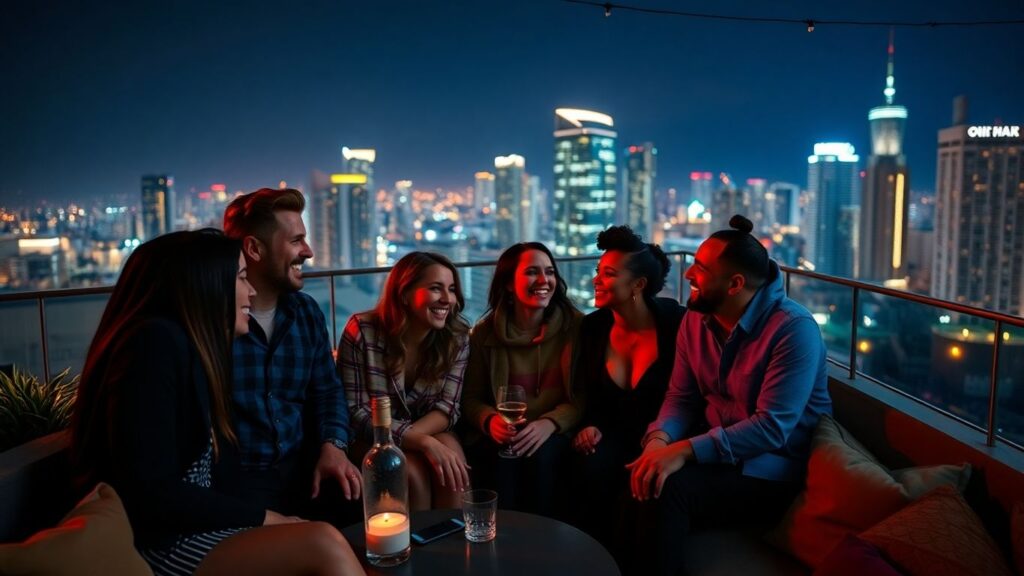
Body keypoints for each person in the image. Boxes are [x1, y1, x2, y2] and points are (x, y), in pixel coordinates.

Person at [71, 230, 363, 576]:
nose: (251, 291)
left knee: (339, 518)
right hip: (163, 541)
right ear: (205, 286)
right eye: (241, 278)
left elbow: (326, 392)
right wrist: (266, 518)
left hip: (200, 522)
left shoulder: (191, 350)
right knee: (322, 542)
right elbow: (151, 491)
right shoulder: (153, 346)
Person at [627, 215, 832, 576]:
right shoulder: (697, 317)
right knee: (638, 472)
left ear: (735, 283)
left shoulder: (793, 330)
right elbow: (681, 396)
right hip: (717, 454)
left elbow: (771, 428)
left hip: (771, 469)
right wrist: (659, 441)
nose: (688, 275)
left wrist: (684, 451)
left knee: (669, 490)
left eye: (700, 269)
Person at [222, 188, 360, 522]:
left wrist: (333, 445)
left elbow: (327, 391)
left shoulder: (306, 313)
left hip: (305, 469)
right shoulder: (216, 323)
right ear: (254, 248)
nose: (308, 251)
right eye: (296, 240)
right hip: (238, 483)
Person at [568, 225, 684, 565]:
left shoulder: (677, 324)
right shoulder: (593, 327)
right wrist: (590, 424)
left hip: (664, 439)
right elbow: (592, 397)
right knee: (588, 466)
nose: (596, 281)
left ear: (638, 285)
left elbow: (690, 395)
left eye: (608, 274)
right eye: (597, 272)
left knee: (645, 488)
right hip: (614, 436)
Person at [338, 251, 471, 511]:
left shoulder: (458, 337)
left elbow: (448, 408)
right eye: (436, 288)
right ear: (404, 294)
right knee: (411, 473)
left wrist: (416, 439)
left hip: (429, 429)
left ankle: (453, 544)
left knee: (451, 463)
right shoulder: (362, 331)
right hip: (371, 437)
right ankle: (415, 546)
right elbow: (356, 413)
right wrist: (421, 442)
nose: (447, 299)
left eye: (452, 289)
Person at [461, 242, 583, 517]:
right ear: (507, 284)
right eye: (532, 272)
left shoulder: (576, 328)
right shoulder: (484, 334)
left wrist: (550, 423)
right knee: (500, 463)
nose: (544, 280)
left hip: (555, 430)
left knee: (542, 459)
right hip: (505, 432)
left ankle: (543, 545)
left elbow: (584, 395)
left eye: (550, 272)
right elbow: (470, 398)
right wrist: (490, 420)